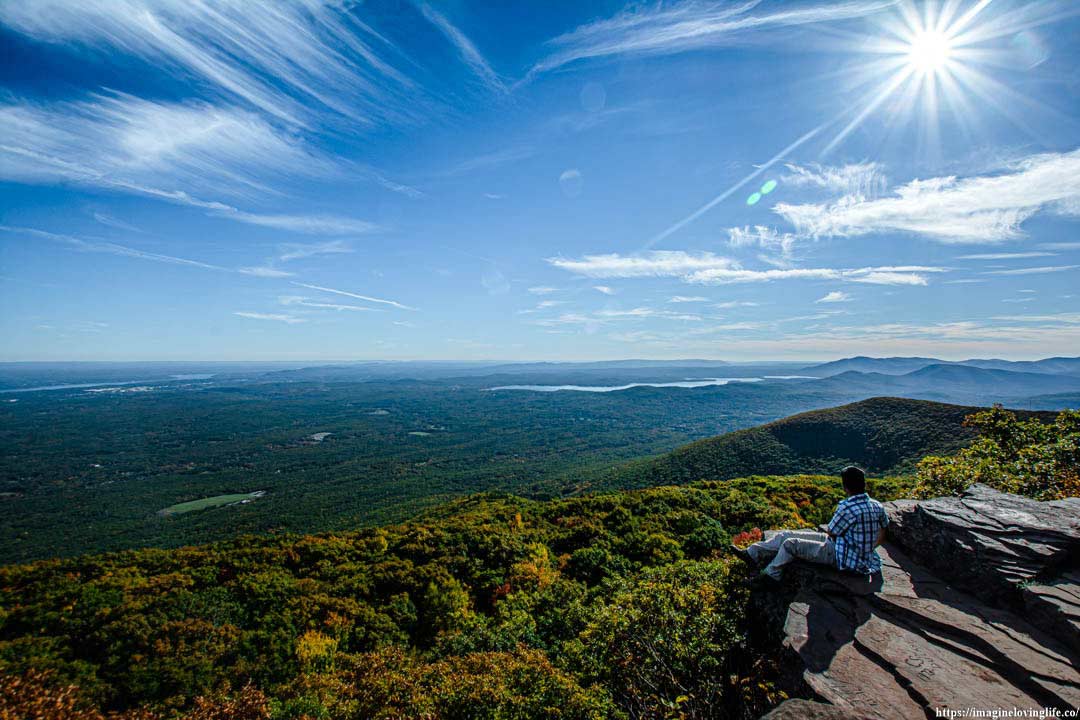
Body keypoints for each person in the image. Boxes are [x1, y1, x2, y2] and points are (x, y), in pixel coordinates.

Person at [733, 466, 889, 581]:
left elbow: (831, 532)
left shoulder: (847, 507)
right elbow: (884, 531)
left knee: (790, 543)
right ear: (863, 484)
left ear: (845, 487)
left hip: (842, 557)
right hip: (854, 552)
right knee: (785, 534)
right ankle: (751, 553)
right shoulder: (877, 505)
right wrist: (868, 548)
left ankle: (770, 576)